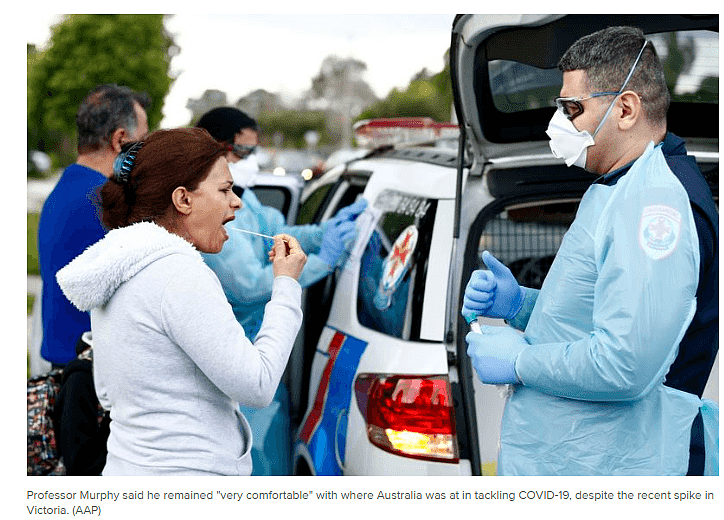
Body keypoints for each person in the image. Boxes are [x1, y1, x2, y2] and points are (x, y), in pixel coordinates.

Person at [462, 26, 718, 475]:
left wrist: (520, 360)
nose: (557, 122)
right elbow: (602, 315)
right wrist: (521, 304)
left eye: (573, 108)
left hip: (621, 469)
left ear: (625, 108)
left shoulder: (654, 203)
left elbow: (625, 364)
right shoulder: (620, 187)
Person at [56, 127, 308, 476]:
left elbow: (107, 392)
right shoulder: (178, 273)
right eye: (224, 190)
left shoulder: (121, 261)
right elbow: (258, 384)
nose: (236, 202)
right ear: (183, 200)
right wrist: (286, 286)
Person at [196, 107, 367, 474]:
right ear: (213, 149)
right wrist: (324, 261)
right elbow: (248, 285)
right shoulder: (213, 211)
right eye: (244, 152)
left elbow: (276, 232)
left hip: (264, 364)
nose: (251, 162)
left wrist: (322, 234)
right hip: (242, 365)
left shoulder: (244, 197)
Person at [38, 84, 150, 367]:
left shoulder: (64, 191)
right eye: (143, 140)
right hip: (91, 378)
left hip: (68, 367)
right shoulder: (106, 202)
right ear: (120, 139)